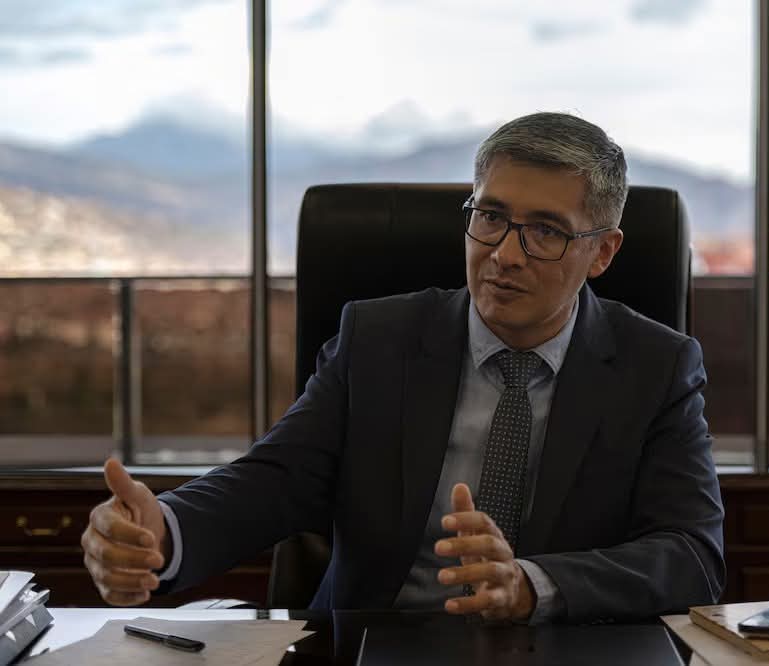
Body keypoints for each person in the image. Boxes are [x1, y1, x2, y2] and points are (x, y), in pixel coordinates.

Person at [81, 112, 725, 623]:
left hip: (562, 649)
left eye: (546, 231)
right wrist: (164, 530)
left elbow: (691, 555)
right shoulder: (378, 341)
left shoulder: (656, 368)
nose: (505, 254)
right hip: (374, 641)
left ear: (603, 252)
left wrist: (532, 586)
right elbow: (274, 480)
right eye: (491, 217)